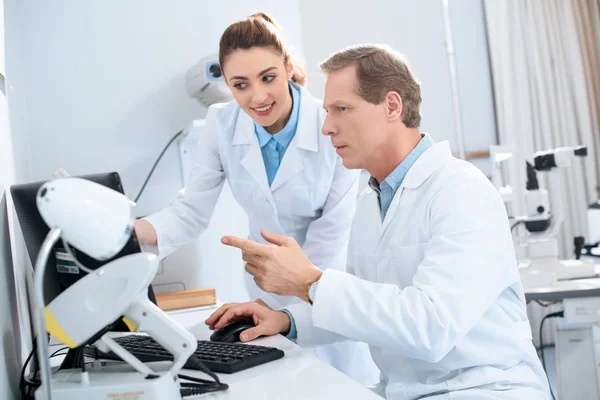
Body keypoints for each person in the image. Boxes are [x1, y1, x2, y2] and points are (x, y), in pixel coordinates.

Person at [206, 44, 552, 399]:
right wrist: (287, 320)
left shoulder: (461, 191)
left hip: (482, 389)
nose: (326, 128)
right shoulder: (372, 203)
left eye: (341, 109)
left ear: (391, 106)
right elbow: (368, 308)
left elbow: (431, 327)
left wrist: (310, 282)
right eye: (326, 112)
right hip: (406, 391)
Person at [134, 13, 378, 385]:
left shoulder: (330, 125)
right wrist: (124, 232)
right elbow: (190, 213)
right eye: (240, 84)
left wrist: (293, 314)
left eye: (268, 78)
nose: (257, 97)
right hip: (263, 299)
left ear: (288, 67)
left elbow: (331, 238)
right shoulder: (222, 124)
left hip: (325, 298)